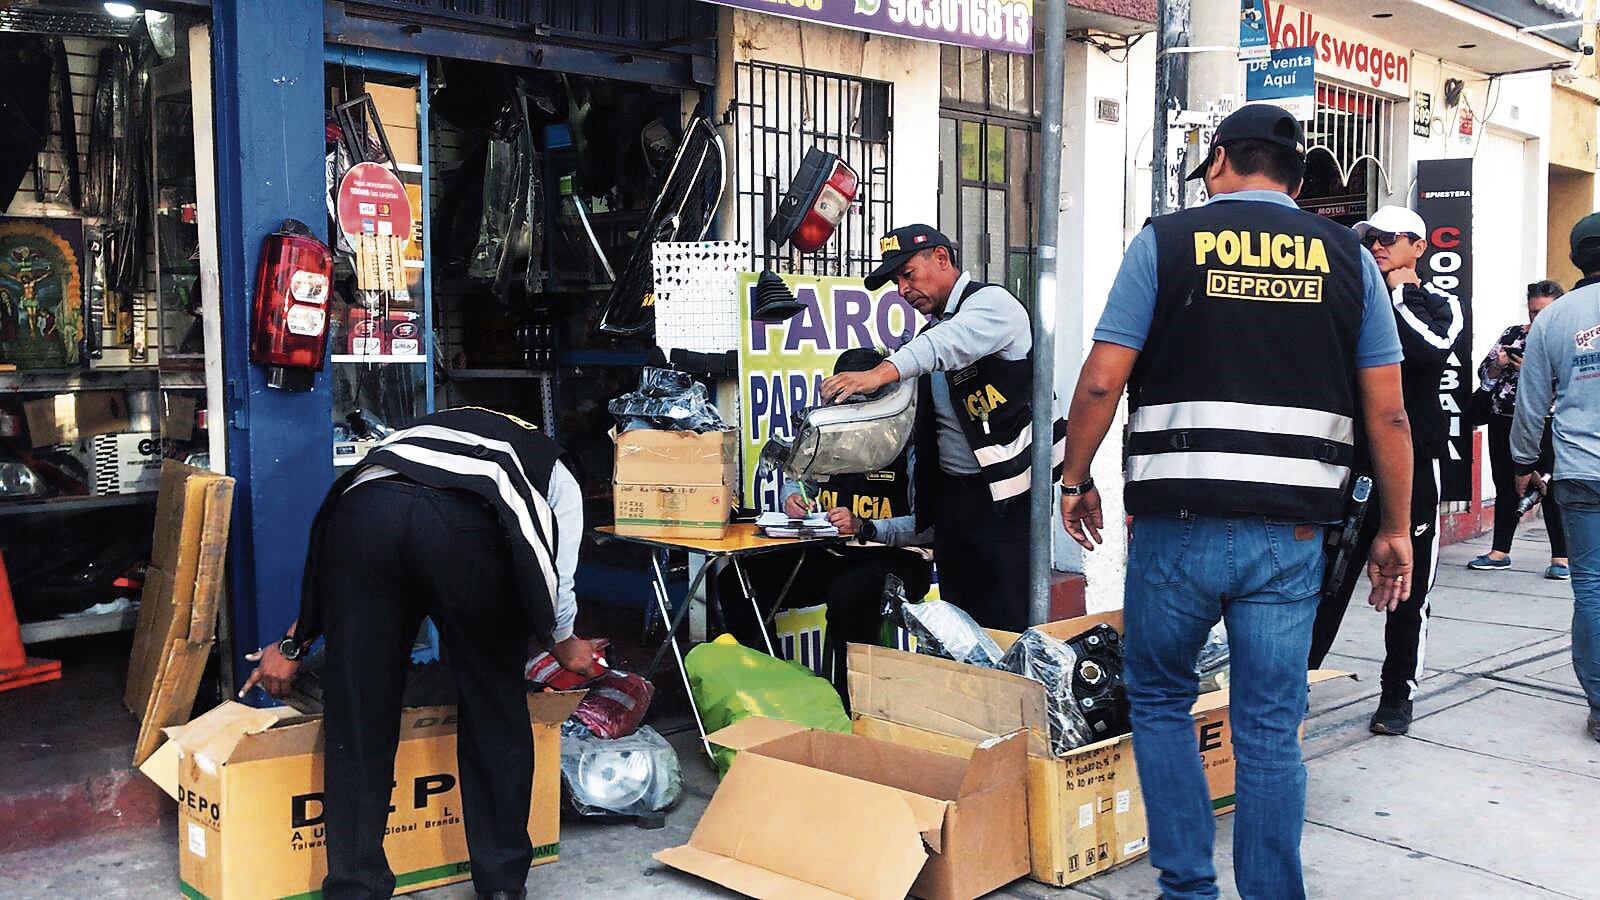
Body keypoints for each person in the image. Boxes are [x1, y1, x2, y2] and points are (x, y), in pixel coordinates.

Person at [1057, 105, 1414, 899]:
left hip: (1176, 530)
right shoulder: (1350, 261)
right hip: (1290, 536)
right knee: (1268, 727)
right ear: (1296, 179)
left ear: (1218, 160)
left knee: (1160, 699)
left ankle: (1187, 889)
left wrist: (1075, 478)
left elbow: (1102, 381)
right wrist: (1395, 527)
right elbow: (1388, 415)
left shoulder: (1166, 242)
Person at [240, 407, 600, 900]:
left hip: (362, 517)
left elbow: (338, 566)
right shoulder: (554, 469)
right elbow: (553, 571)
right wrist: (565, 641)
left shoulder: (423, 431)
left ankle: (354, 888)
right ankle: (500, 885)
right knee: (494, 706)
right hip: (466, 532)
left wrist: (294, 643)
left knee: (358, 712)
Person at [818, 224, 1064, 630]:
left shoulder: (991, 305)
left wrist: (878, 373)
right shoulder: (930, 332)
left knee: (1007, 624)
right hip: (954, 503)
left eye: (908, 275)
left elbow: (947, 345)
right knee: (961, 628)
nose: (902, 290)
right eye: (896, 282)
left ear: (942, 258)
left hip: (1007, 499)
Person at [1306, 205, 1462, 736]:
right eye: (1370, 236)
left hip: (1413, 465)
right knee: (1325, 581)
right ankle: (1296, 680)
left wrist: (1395, 290)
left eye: (1390, 237)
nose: (1377, 244)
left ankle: (1397, 694)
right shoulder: (1351, 298)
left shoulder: (1438, 302)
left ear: (1418, 247)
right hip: (1351, 464)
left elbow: (1430, 349)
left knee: (1407, 587)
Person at [718, 348, 933, 696]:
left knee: (849, 596)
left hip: (898, 560)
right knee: (738, 581)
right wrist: (793, 497)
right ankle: (771, 689)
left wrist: (865, 526)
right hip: (834, 554)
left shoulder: (910, 446)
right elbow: (799, 477)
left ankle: (852, 708)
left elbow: (926, 527)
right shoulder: (831, 434)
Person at [1512, 212, 1600, 744]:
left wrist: (1523, 462)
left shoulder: (1554, 318)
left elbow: (1530, 401)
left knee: (1591, 586)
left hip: (1580, 471)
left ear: (1574, 260)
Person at [1471, 280, 1569, 578]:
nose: (1537, 318)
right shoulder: (1514, 334)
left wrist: (1529, 369)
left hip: (1546, 421)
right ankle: (1500, 551)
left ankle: (1561, 557)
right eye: (1533, 311)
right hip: (1504, 418)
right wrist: (1500, 364)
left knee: (1550, 487)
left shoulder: (1566, 339)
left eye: (1544, 311)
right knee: (1505, 484)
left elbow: (1570, 381)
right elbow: (1485, 372)